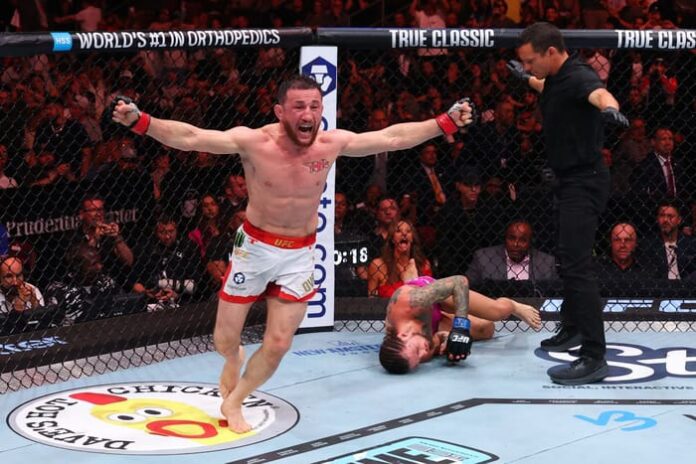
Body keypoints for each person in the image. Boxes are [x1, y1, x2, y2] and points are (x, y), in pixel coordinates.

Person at [111, 75, 475, 433]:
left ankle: (237, 400)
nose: (309, 114)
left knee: (280, 343)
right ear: (280, 111)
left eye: (315, 106)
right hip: (254, 250)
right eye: (299, 106)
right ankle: (234, 357)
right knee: (224, 341)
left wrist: (443, 122)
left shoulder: (330, 144)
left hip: (299, 254)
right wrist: (141, 121)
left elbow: (391, 137)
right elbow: (191, 138)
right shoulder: (254, 142)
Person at [507, 22, 629, 385]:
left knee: (577, 266)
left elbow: (599, 94)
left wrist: (611, 110)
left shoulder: (579, 76)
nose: (528, 67)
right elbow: (547, 87)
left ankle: (594, 355)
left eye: (530, 61)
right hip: (568, 180)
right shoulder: (555, 77)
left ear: (550, 52)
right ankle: (574, 327)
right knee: (568, 258)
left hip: (584, 182)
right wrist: (526, 79)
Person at [379, 271, 542, 374]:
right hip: (429, 323)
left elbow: (459, 281)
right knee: (486, 329)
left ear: (403, 335)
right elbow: (433, 342)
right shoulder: (410, 351)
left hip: (435, 297)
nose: (423, 355)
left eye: (417, 351)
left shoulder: (412, 301)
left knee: (497, 312)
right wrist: (446, 340)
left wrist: (460, 327)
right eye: (418, 361)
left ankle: (513, 305)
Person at [465, 220, 558, 288]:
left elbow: (555, 294)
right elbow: (466, 288)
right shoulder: (483, 257)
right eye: (511, 238)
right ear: (505, 238)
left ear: (530, 242)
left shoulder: (546, 262)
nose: (515, 244)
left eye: (523, 240)